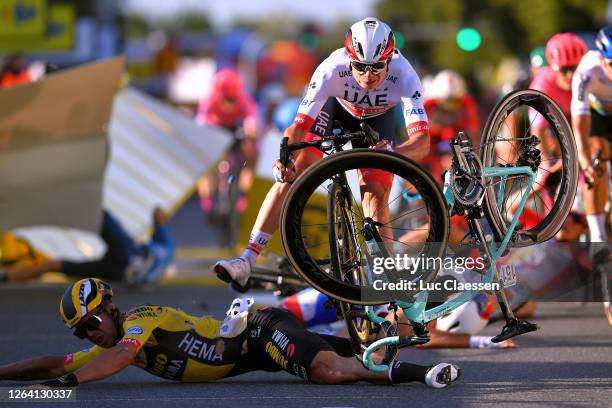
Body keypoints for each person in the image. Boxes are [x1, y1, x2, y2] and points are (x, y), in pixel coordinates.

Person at [214, 17, 431, 291]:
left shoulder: (405, 74)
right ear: (349, 58)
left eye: (377, 67)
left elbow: (422, 142)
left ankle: (381, 284)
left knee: (374, 195)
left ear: (390, 59)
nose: (368, 75)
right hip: (334, 111)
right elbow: (299, 126)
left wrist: (394, 152)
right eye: (360, 66)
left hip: (378, 121)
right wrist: (285, 159)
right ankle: (247, 260)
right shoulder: (331, 69)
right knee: (291, 177)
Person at [0, 279, 461, 388]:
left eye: (90, 323)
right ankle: (403, 342)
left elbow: (116, 358)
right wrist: (9, 382)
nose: (88, 336)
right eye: (80, 333)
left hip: (260, 330)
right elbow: (51, 365)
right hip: (260, 355)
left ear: (111, 308)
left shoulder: (141, 319)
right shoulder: (114, 346)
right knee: (361, 353)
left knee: (332, 372)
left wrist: (74, 382)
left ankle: (423, 374)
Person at [0, 208, 174, 285]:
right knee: (57, 265)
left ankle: (7, 277)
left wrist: (158, 216)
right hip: (120, 272)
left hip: (130, 257)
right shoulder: (166, 253)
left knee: (101, 216)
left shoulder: (166, 243)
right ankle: (6, 277)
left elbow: (159, 214)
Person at [196, 68, 260, 216]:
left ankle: (244, 193)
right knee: (206, 161)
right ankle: (207, 197)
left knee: (251, 155)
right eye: (227, 98)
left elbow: (253, 118)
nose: (230, 103)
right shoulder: (208, 100)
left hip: (234, 128)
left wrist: (251, 131)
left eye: (233, 99)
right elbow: (201, 121)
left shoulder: (244, 99)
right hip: (214, 128)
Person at [571, 27, 612, 250]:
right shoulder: (588, 70)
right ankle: (598, 238)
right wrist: (585, 159)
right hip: (596, 114)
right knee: (596, 158)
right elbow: (579, 123)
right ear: (602, 60)